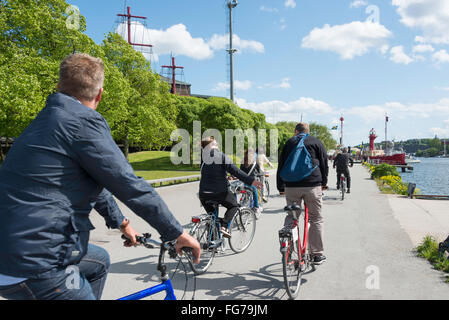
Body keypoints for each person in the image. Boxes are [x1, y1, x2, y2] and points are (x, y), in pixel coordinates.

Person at [0, 53, 201, 300]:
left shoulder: (45, 121)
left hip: (10, 254)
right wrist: (176, 232)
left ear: (58, 86)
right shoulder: (82, 121)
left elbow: (97, 182)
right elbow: (128, 184)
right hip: (37, 265)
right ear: (100, 94)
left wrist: (123, 224)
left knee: (99, 261)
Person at [277, 122, 329, 265]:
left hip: (291, 186)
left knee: (292, 216)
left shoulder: (289, 143)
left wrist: (280, 186)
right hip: (312, 185)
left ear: (295, 131)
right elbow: (324, 163)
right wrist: (324, 182)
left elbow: (282, 164)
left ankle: (288, 249)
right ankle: (317, 254)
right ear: (308, 131)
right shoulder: (316, 142)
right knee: (315, 218)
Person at [199, 138, 263, 238]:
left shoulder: (203, 158)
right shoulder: (220, 155)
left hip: (203, 193)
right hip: (220, 192)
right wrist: (252, 181)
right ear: (211, 145)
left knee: (212, 216)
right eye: (215, 143)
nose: (217, 144)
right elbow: (236, 171)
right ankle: (224, 226)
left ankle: (212, 241)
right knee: (234, 206)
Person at [240, 149, 263, 217]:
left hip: (243, 182)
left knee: (244, 192)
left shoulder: (242, 161)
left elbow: (240, 171)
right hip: (251, 182)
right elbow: (259, 172)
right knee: (255, 191)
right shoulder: (254, 163)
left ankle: (243, 203)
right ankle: (256, 207)